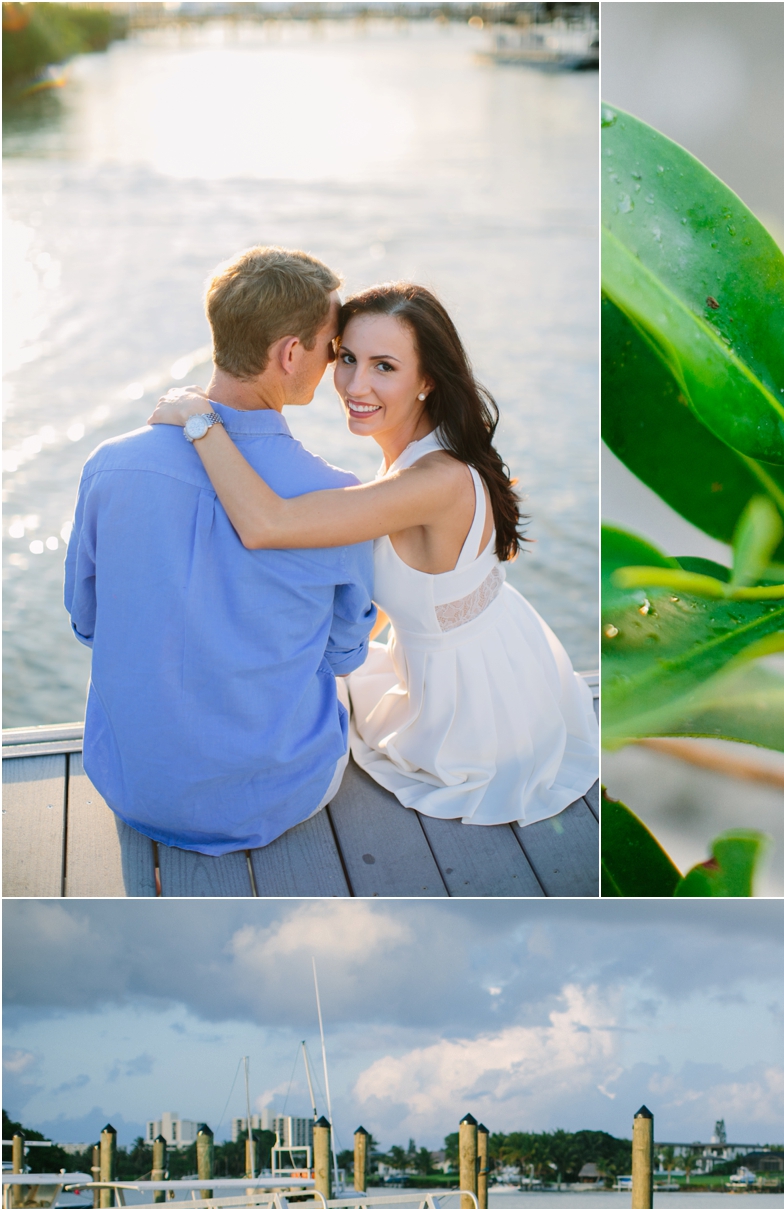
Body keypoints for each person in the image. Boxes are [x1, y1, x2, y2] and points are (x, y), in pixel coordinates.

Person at [149, 283, 599, 828]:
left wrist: (200, 420)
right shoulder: (427, 455)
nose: (355, 384)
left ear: (427, 380)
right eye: (346, 358)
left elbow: (268, 524)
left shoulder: (434, 481)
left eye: (384, 366)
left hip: (469, 716)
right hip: (501, 662)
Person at [64, 246, 375, 854]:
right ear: (291, 354)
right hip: (279, 795)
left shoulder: (108, 466)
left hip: (131, 786)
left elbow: (86, 620)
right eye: (332, 347)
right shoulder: (337, 496)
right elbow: (345, 655)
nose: (334, 363)